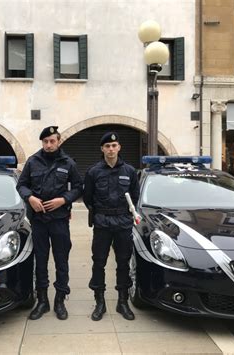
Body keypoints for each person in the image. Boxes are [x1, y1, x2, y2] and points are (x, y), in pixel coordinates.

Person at [16, 126, 82, 320]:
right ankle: (42, 301)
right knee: (41, 262)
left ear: (58, 141)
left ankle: (60, 300)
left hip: (60, 220)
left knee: (62, 261)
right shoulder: (33, 161)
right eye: (45, 141)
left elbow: (79, 187)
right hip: (39, 221)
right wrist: (30, 198)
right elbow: (21, 184)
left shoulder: (68, 163)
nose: (49, 145)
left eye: (52, 141)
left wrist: (64, 199)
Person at [83, 132, 140, 321]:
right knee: (99, 262)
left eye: (114, 145)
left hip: (123, 222)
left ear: (119, 147)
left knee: (123, 262)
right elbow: (88, 198)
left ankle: (122, 301)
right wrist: (100, 213)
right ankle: (100, 302)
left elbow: (135, 196)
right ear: (102, 149)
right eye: (107, 146)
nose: (111, 149)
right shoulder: (93, 172)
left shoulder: (130, 171)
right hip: (102, 223)